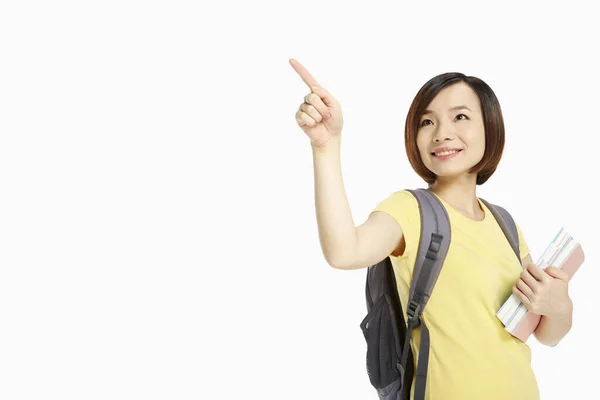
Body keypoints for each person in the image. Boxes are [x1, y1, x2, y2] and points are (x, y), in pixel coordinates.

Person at [289, 58, 574, 400]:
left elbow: (546, 335)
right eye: (427, 121)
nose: (442, 133)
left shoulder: (506, 224)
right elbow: (343, 251)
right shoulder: (410, 210)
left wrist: (560, 307)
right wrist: (325, 147)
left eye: (460, 117)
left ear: (490, 128)